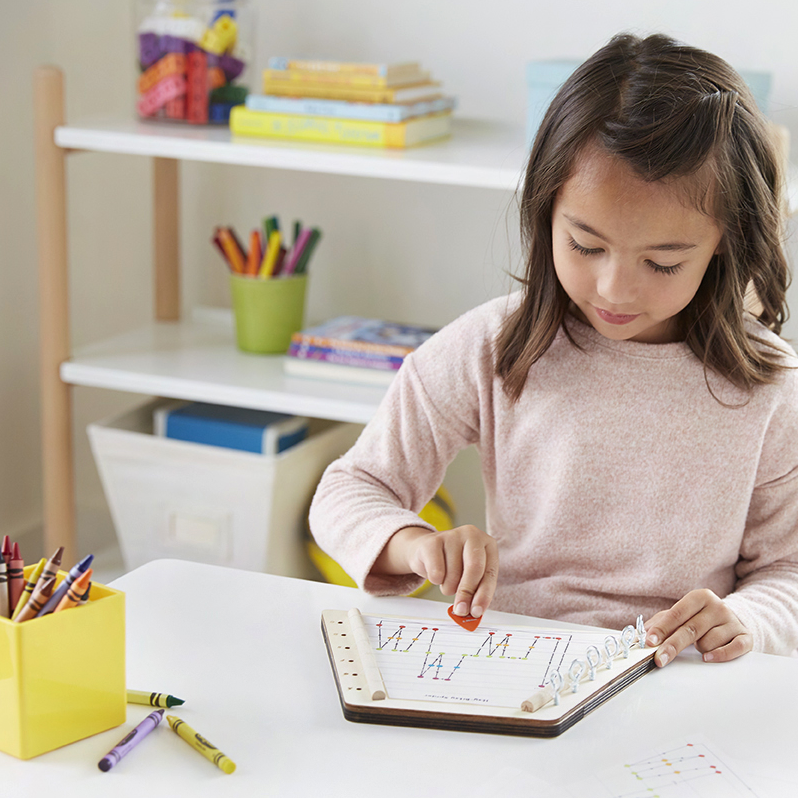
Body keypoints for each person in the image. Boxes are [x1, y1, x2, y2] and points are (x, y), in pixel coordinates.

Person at [309, 33, 798, 667]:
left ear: (724, 244)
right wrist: (415, 544)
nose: (614, 288)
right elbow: (350, 489)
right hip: (519, 671)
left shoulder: (770, 388)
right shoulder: (493, 345)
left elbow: (788, 572)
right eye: (587, 246)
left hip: (679, 682)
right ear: (546, 213)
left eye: (663, 261)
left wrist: (744, 622)